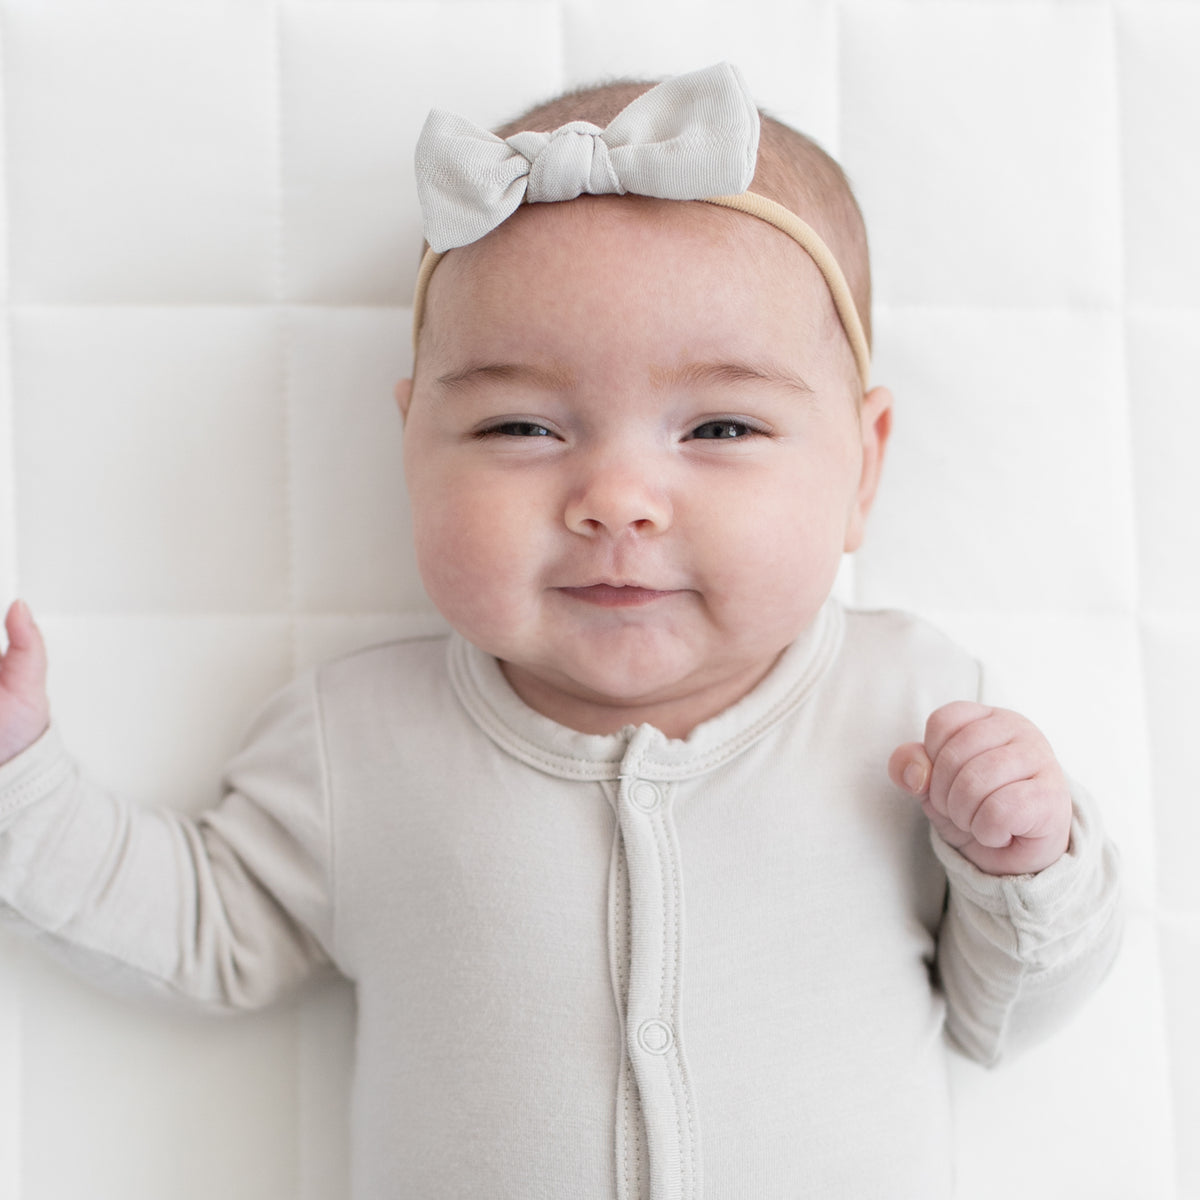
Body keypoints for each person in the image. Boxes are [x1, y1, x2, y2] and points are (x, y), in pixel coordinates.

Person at [0, 63, 1121, 1198]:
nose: (617, 497)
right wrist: (20, 779)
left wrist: (1024, 869)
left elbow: (1001, 1019)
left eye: (721, 425)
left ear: (862, 469)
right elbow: (203, 926)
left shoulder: (910, 705)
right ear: (413, 446)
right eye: (522, 425)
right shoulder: (363, 740)